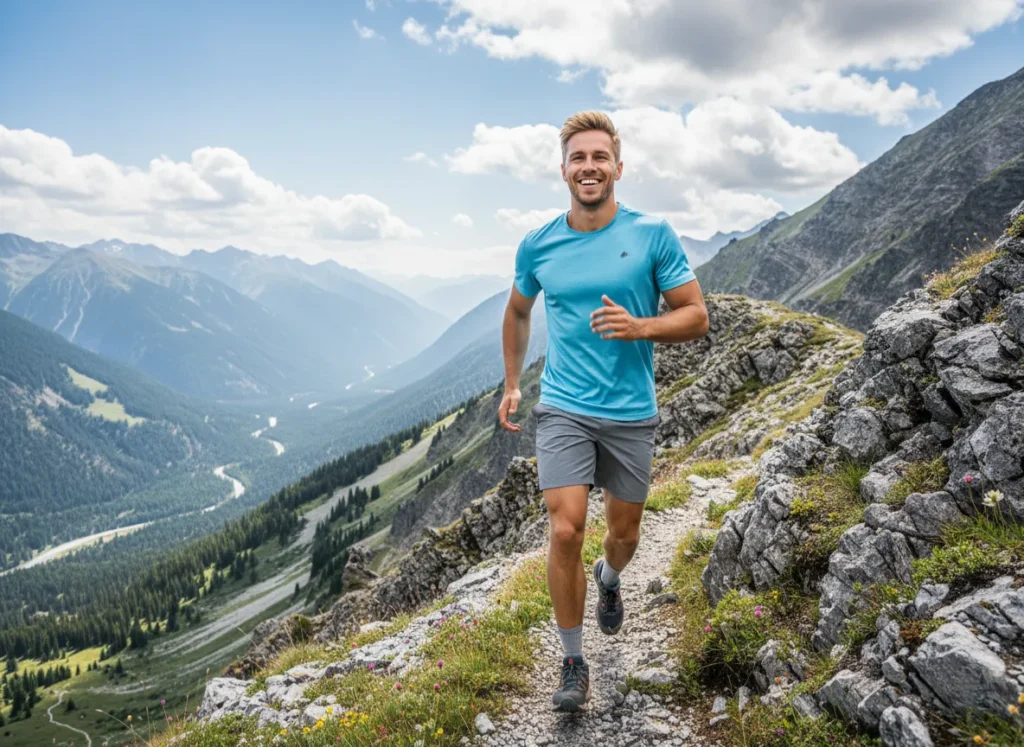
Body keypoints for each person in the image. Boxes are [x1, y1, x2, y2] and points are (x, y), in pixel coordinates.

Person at [498, 111, 710, 712]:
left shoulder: (652, 234)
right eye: (577, 158)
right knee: (565, 527)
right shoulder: (539, 244)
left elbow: (695, 315)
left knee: (624, 535)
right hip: (563, 406)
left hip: (630, 411)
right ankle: (571, 660)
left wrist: (641, 326)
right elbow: (517, 312)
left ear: (618, 165)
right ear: (562, 169)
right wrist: (514, 384)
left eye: (599, 157)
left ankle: (610, 580)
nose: (588, 168)